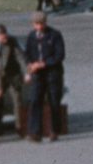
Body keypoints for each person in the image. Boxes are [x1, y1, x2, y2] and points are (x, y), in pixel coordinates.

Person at [24, 11, 65, 142]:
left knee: (54, 101)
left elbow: (60, 55)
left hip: (53, 73)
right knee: (35, 100)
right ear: (33, 24)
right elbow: (27, 53)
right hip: (37, 74)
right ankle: (35, 132)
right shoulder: (31, 36)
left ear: (45, 22)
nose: (40, 27)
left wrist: (43, 64)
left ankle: (54, 130)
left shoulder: (55, 35)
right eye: (37, 24)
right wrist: (30, 65)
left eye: (42, 23)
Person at [0, 24, 28, 136]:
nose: (5, 39)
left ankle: (19, 127)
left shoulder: (12, 41)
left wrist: (26, 72)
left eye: (6, 36)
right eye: (2, 37)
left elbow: (20, 57)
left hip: (13, 75)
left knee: (17, 100)